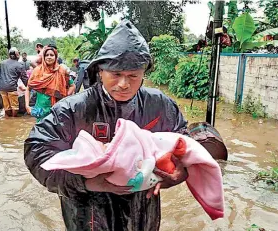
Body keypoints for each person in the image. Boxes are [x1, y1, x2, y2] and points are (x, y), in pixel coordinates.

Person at [24, 20, 189, 230]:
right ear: (100, 71)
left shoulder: (158, 104)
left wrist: (180, 172)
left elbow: (186, 139)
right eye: (116, 74)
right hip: (86, 211)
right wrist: (85, 182)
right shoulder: (73, 109)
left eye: (133, 76)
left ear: (143, 74)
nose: (124, 84)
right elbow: (36, 150)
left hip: (142, 209)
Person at [24, 46, 76, 122]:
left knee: (57, 131)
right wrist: (27, 106)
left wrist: (65, 96)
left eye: (51, 55)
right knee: (41, 131)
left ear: (55, 57)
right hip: (41, 109)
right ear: (43, 57)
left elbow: (72, 86)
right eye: (46, 55)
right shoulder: (37, 71)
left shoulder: (62, 70)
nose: (49, 57)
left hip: (58, 108)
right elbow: (28, 89)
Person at [0, 47, 28, 117]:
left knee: (6, 106)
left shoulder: (2, 63)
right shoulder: (19, 65)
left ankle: (9, 120)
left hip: (2, 88)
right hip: (12, 88)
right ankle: (14, 119)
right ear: (17, 55)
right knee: (15, 106)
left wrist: (3, 80)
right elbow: (24, 78)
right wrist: (28, 88)